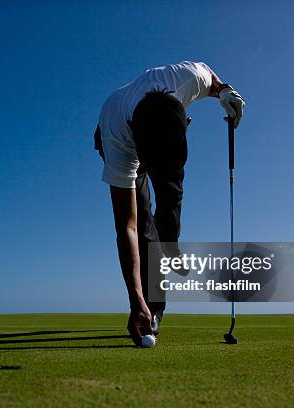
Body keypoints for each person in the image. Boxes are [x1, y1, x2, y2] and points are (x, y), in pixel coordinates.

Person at [93, 61, 245, 345]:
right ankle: (149, 309)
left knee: (171, 195)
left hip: (159, 128)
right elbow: (125, 227)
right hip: (114, 130)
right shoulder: (120, 143)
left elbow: (211, 78)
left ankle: (170, 244)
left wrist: (225, 92)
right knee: (143, 226)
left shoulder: (187, 77)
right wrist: (136, 299)